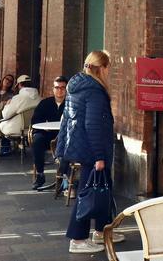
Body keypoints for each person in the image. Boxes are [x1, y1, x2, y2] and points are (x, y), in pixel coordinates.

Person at [56, 51, 121, 254]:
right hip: (90, 149)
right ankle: (78, 238)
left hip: (80, 145)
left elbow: (66, 120)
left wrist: (61, 148)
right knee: (87, 192)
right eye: (107, 67)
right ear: (101, 68)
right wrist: (100, 156)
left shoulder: (77, 87)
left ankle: (103, 230)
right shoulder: (94, 90)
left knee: (101, 186)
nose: (108, 71)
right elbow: (93, 125)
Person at [30, 76, 67, 189]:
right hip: (47, 135)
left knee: (70, 144)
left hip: (64, 135)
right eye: (57, 87)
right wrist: (43, 127)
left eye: (62, 87)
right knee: (37, 141)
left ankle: (65, 176)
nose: (59, 90)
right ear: (53, 89)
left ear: (66, 89)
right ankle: (40, 174)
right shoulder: (45, 103)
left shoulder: (71, 104)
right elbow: (35, 120)